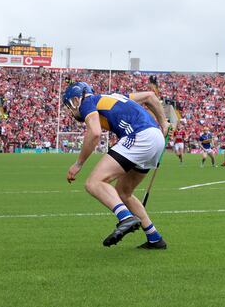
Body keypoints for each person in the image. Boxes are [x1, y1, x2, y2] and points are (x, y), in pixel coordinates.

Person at [63, 82, 169, 250]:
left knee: (94, 183)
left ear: (76, 99)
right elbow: (150, 96)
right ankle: (154, 238)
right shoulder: (114, 97)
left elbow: (95, 133)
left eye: (69, 105)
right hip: (155, 138)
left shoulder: (87, 103)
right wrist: (163, 122)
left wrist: (78, 164)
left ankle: (125, 218)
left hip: (138, 136)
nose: (70, 110)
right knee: (124, 193)